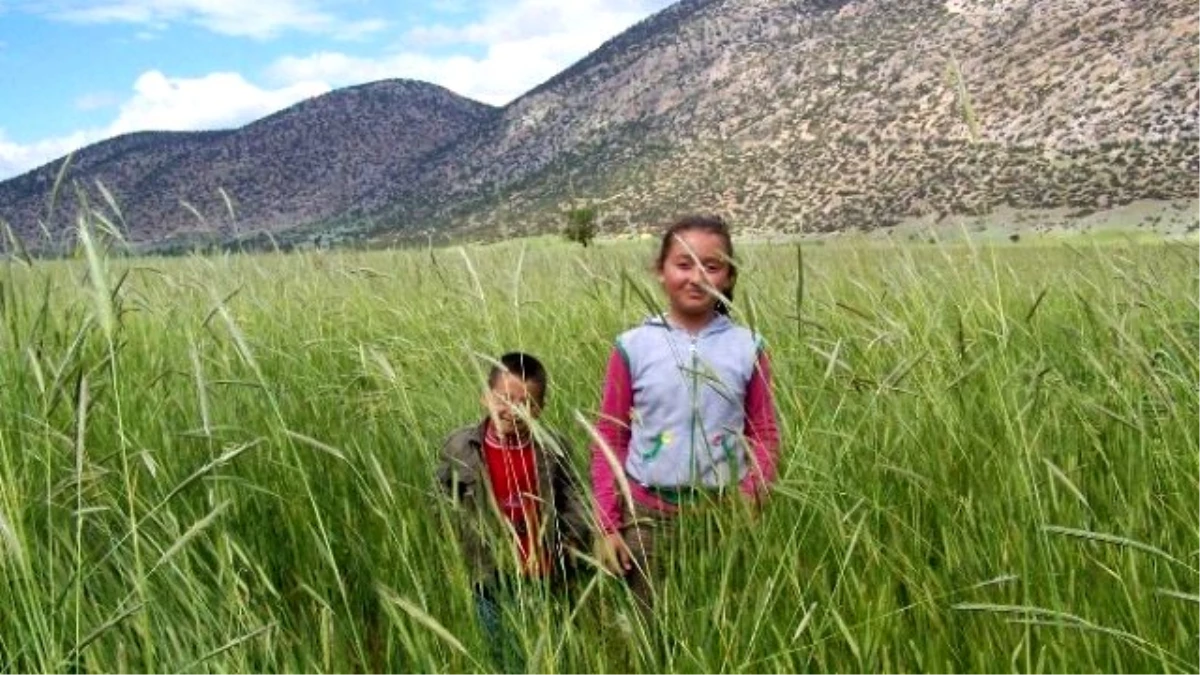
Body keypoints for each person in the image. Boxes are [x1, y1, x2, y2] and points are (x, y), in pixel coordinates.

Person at [589, 215, 781, 611]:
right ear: (660, 271)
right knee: (648, 632)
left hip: (723, 517)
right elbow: (610, 437)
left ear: (728, 276)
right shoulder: (633, 346)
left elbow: (763, 432)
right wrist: (608, 524)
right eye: (683, 264)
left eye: (711, 266)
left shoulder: (748, 347)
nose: (696, 277)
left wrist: (751, 497)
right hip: (645, 519)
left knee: (719, 625)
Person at [437, 352, 590, 672]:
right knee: (498, 653)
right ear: (485, 397)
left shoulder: (552, 447)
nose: (512, 410)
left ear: (541, 408)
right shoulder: (459, 446)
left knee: (544, 651)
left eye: (526, 403)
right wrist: (454, 539)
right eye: (504, 399)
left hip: (542, 571)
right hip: (488, 573)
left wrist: (572, 537)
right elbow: (441, 497)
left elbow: (575, 496)